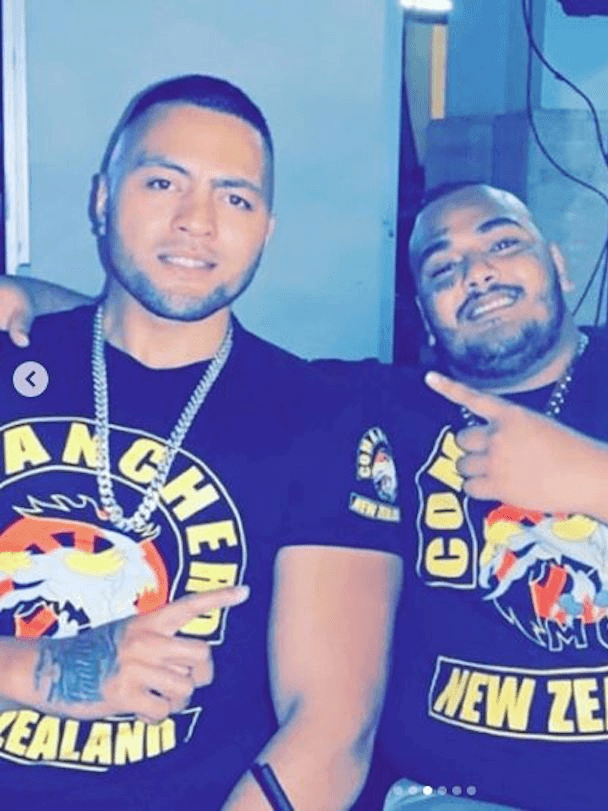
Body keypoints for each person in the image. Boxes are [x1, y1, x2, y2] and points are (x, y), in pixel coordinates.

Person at [6, 184, 608, 809]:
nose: (479, 272)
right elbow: (178, 340)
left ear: (559, 266)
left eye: (503, 243)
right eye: (443, 268)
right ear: (424, 313)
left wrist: (585, 477)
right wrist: (28, 300)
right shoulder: (373, 408)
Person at [0, 74, 401, 811]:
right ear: (102, 198)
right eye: (162, 182)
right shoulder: (8, 357)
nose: (198, 221)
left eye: (236, 197)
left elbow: (333, 727)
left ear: (267, 228)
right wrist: (35, 668)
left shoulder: (324, 419)